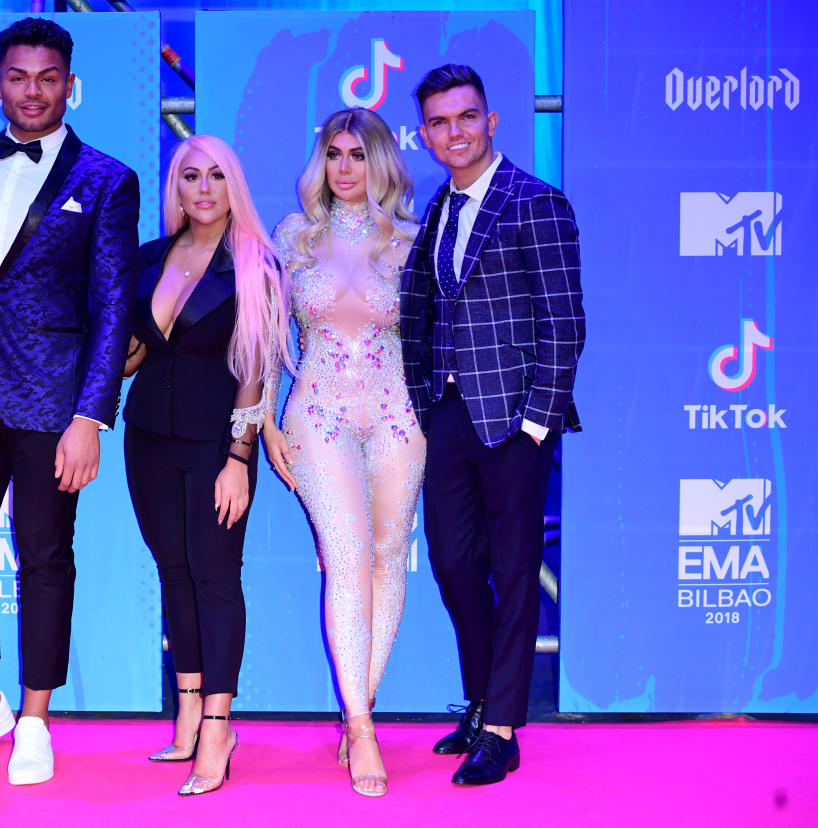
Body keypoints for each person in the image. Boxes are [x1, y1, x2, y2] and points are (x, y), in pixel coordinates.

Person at [0, 17, 140, 786]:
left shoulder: (107, 179)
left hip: (55, 404)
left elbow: (113, 304)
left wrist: (90, 416)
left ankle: (35, 719)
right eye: (18, 77)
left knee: (46, 559)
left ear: (69, 84)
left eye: (47, 78)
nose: (32, 91)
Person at [401, 64, 585, 786]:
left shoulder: (535, 202)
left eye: (466, 117)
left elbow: (565, 325)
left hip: (516, 422)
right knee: (452, 566)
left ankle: (503, 728)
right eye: (440, 122)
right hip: (447, 415)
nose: (455, 132)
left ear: (492, 121)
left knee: (514, 574)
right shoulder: (438, 209)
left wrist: (538, 423)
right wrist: (423, 403)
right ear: (426, 133)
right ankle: (483, 700)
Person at [263, 108, 425, 798]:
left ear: (381, 161)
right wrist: (261, 420)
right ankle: (361, 727)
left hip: (399, 415)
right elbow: (271, 336)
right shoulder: (293, 237)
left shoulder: (414, 241)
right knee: (348, 557)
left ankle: (362, 703)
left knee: (390, 557)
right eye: (334, 154)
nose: (346, 168)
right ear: (321, 162)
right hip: (318, 416)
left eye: (359, 154)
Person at [123, 135, 289, 797]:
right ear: (177, 186)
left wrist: (237, 459)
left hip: (214, 443)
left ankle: (219, 725)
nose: (203, 187)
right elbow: (136, 352)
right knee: (174, 573)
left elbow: (256, 369)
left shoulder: (255, 265)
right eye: (190, 175)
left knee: (215, 577)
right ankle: (187, 712)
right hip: (147, 437)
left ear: (233, 186)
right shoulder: (150, 258)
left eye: (217, 175)